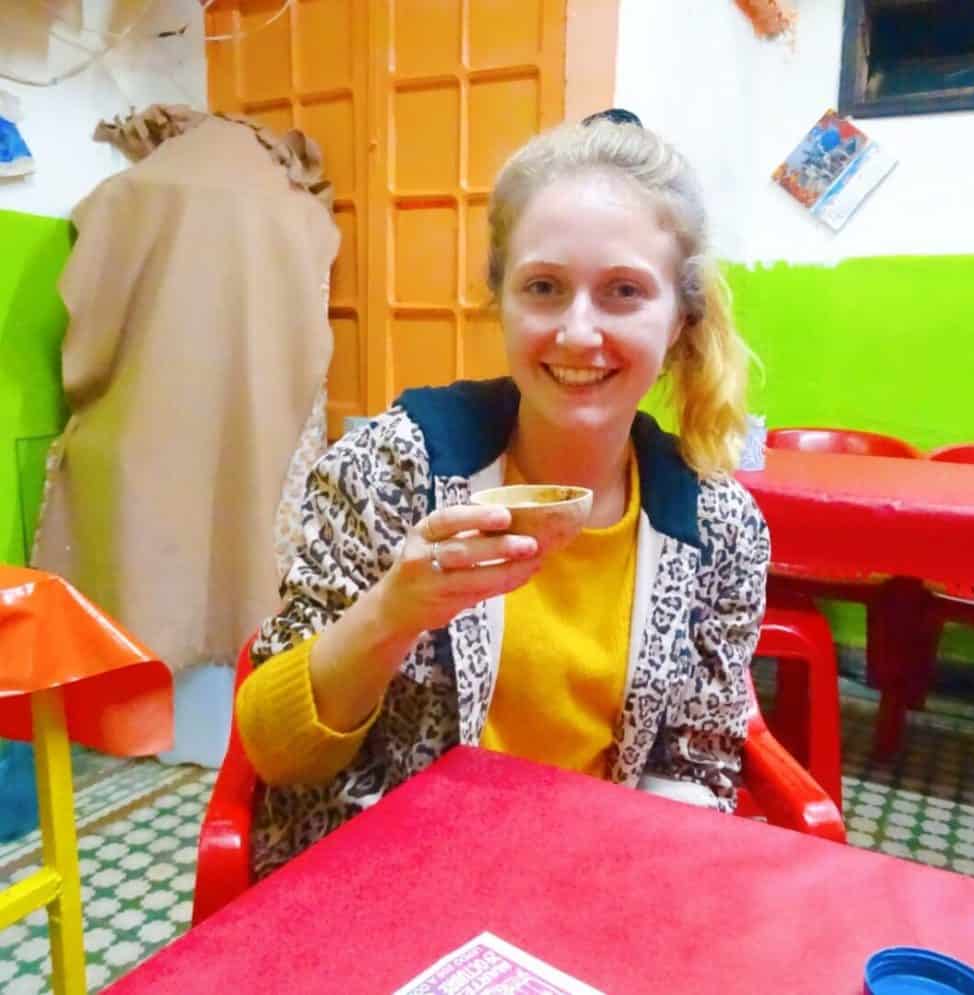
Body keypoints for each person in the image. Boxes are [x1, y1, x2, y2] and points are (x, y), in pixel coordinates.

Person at [236, 111, 770, 879]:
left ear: (681, 319)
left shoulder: (718, 527)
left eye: (623, 291)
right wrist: (395, 610)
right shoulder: (396, 465)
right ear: (502, 302)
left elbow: (699, 768)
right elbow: (276, 753)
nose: (578, 333)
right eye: (544, 288)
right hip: (385, 881)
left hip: (593, 881)